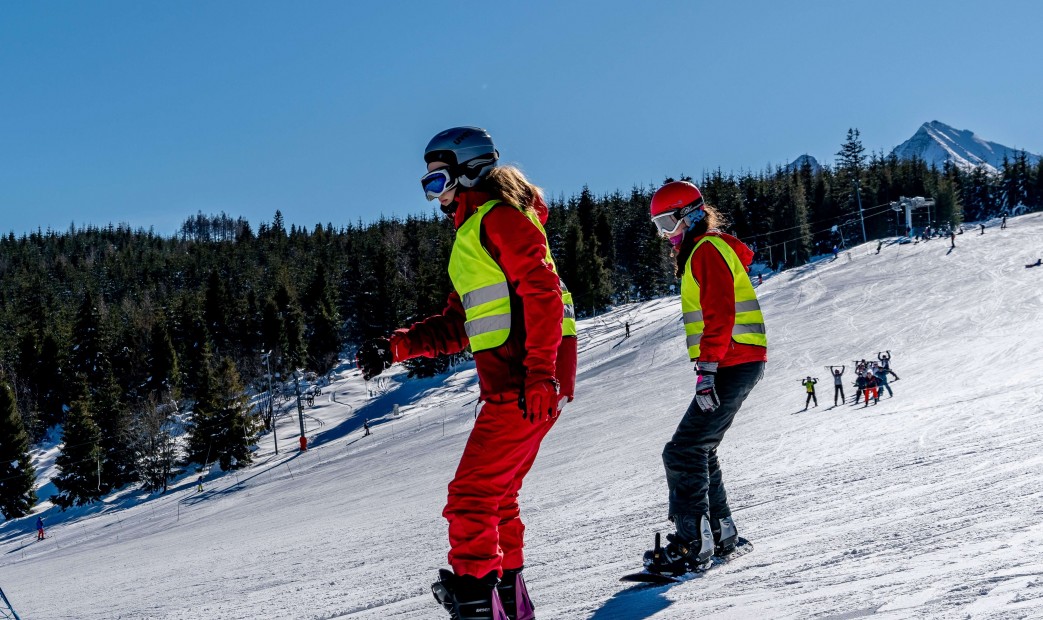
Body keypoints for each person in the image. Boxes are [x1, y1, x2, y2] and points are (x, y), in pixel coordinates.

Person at [355, 127, 577, 620]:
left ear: (469, 170)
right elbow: (461, 322)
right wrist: (396, 347)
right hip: (528, 386)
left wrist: (540, 373)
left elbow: (542, 291)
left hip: (522, 385)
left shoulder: (500, 220)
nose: (434, 196)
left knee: (471, 499)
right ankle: (511, 602)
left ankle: (479, 607)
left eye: (437, 182)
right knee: (498, 498)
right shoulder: (476, 232)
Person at [640, 180, 767, 577]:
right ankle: (720, 531)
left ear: (688, 215)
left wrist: (708, 369)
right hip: (737, 360)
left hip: (732, 361)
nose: (665, 234)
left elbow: (719, 312)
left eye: (666, 223)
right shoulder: (705, 249)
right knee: (701, 446)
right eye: (657, 226)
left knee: (683, 450)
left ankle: (693, 545)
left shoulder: (706, 250)